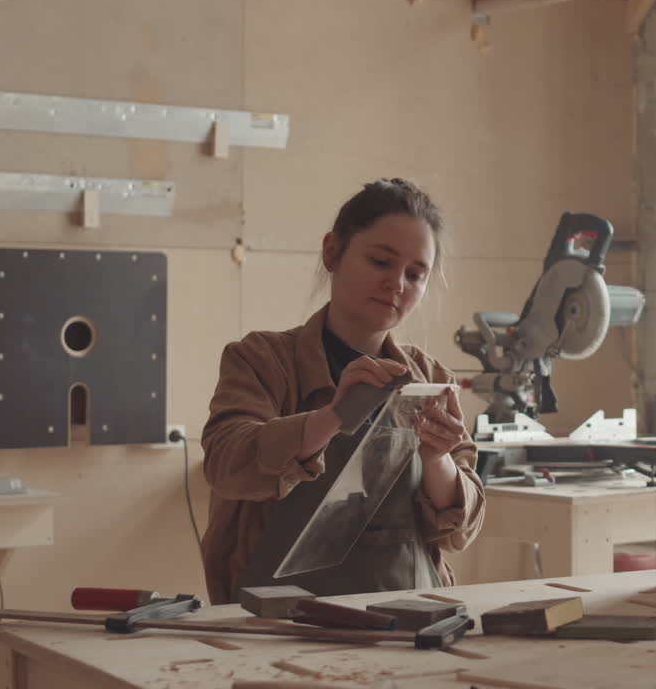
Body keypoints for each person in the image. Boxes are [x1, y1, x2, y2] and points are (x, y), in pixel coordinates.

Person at [200, 178, 485, 605]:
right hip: (282, 622)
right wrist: (331, 416)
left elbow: (462, 530)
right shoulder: (263, 360)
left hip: (407, 616)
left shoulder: (427, 375)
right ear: (332, 251)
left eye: (415, 274)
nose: (397, 284)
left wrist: (437, 460)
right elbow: (225, 464)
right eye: (380, 261)